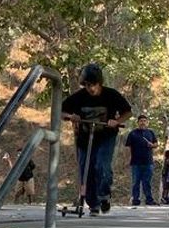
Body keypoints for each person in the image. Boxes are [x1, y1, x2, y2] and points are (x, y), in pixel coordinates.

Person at [61, 63, 132, 215]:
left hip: (105, 137)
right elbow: (61, 111)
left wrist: (117, 121)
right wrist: (70, 116)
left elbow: (128, 112)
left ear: (99, 83)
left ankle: (104, 196)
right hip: (84, 139)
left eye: (93, 85)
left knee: (101, 165)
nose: (90, 88)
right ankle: (93, 204)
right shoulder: (79, 97)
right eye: (86, 85)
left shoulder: (111, 95)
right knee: (85, 169)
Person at [125, 114, 157, 206]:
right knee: (136, 182)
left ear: (147, 122)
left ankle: (149, 199)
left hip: (148, 161)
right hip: (136, 162)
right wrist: (128, 158)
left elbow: (156, 143)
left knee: (147, 182)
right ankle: (136, 199)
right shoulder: (133, 133)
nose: (143, 122)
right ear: (138, 122)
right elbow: (128, 147)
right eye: (141, 121)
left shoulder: (150, 133)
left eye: (144, 121)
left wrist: (152, 145)